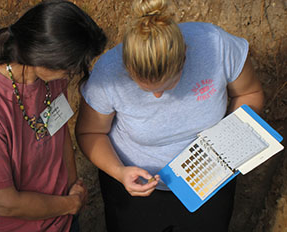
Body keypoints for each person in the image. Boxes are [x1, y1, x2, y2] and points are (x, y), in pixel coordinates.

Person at [75, 0, 264, 231]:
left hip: (208, 182)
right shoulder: (108, 73)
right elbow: (90, 132)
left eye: (168, 85)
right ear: (125, 65)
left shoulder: (215, 45)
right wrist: (119, 172)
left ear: (185, 54)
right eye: (145, 87)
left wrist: (228, 146)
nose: (157, 96)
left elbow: (250, 93)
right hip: (135, 191)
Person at [0, 0, 107, 231]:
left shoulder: (50, 78)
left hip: (62, 218)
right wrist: (69, 204)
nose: (71, 74)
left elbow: (59, 131)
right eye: (70, 68)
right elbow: (6, 204)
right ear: (43, 56)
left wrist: (73, 188)